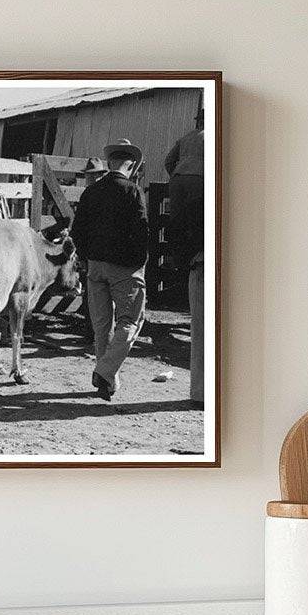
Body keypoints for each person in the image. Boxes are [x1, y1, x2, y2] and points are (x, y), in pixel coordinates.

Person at [70, 138, 149, 401]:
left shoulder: (91, 192)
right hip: (124, 268)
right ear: (131, 165)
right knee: (130, 321)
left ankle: (107, 384)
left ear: (111, 163)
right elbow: (141, 233)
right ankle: (104, 371)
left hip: (95, 267)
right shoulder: (133, 192)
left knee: (102, 326)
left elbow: (77, 231)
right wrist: (140, 263)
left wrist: (85, 259)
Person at [165, 109, 206, 409]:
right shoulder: (210, 137)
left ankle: (179, 257)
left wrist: (177, 176)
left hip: (178, 180)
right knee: (199, 213)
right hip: (199, 181)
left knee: (178, 224)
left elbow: (168, 161)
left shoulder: (185, 137)